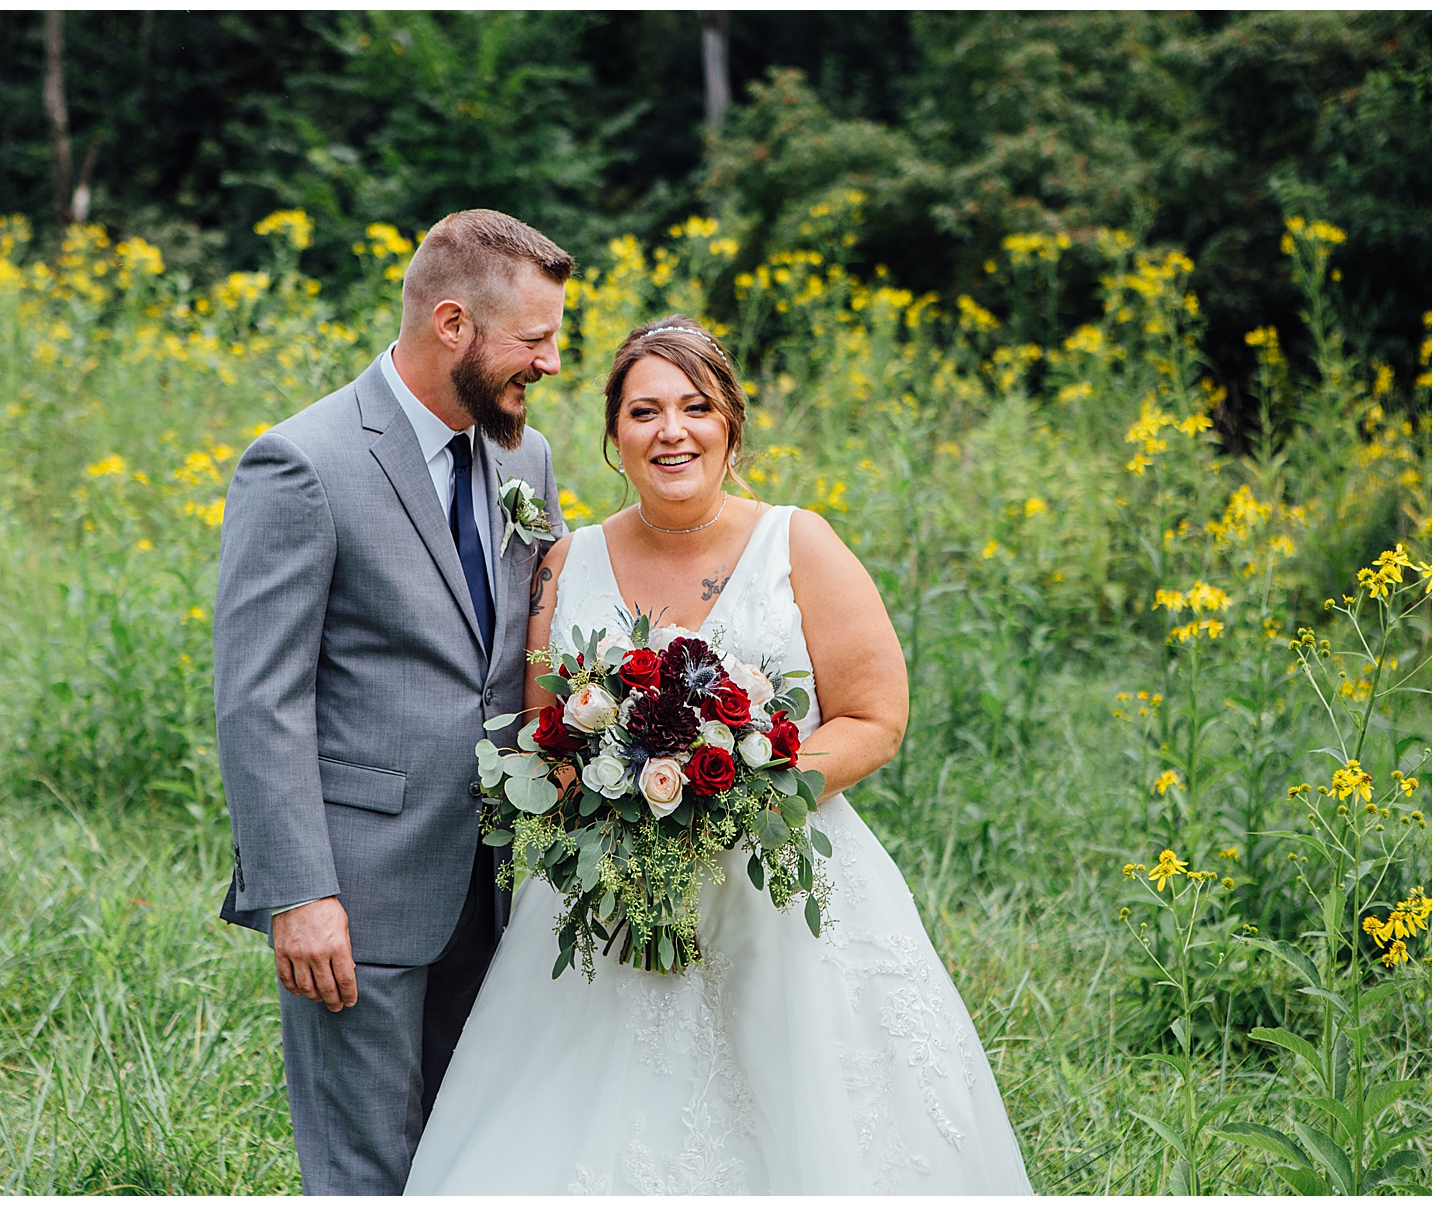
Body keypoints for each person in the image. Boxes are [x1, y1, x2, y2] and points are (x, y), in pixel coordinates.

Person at [404, 316, 1033, 1194]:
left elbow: (875, 717)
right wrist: (608, 800)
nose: (672, 431)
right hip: (610, 904)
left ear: (731, 426)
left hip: (776, 891)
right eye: (645, 411)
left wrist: (746, 797)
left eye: (696, 408)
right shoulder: (565, 562)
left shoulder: (797, 543)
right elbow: (545, 730)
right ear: (615, 437)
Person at [213, 210, 571, 1195]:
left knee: (466, 1160)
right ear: (452, 324)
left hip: (494, 881)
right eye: (534, 341)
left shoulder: (522, 460)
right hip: (357, 893)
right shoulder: (302, 465)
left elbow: (550, 625)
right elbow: (259, 698)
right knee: (366, 1172)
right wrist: (298, 893)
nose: (549, 364)